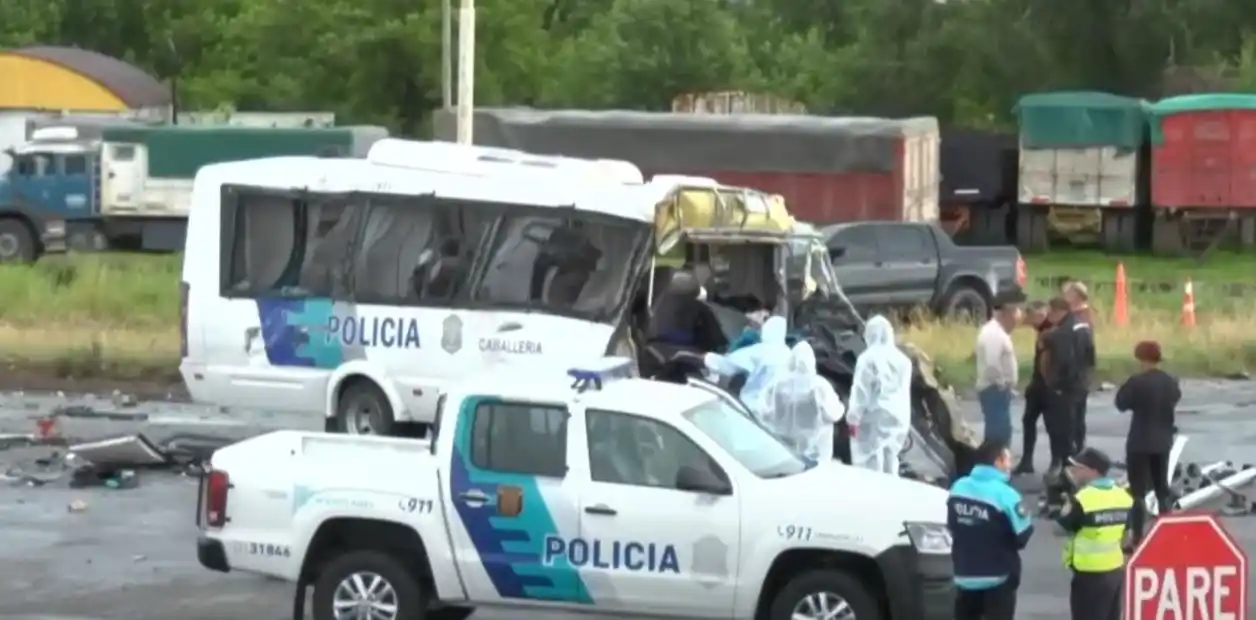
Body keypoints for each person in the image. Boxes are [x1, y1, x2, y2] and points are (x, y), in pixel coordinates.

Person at [948, 439, 1034, 620]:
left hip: (964, 575)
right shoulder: (1006, 494)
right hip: (998, 577)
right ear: (997, 461)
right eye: (1008, 460)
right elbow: (1023, 536)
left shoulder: (958, 487)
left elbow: (953, 525)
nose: (1010, 465)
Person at [1115, 341, 1180, 548]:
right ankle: (1167, 531)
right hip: (1163, 441)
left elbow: (1121, 404)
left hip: (1139, 441)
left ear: (1141, 359)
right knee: (1162, 488)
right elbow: (1175, 399)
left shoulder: (1136, 382)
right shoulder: (1170, 382)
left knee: (1137, 492)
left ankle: (1137, 537)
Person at [1057, 447, 1132, 620]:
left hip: (1088, 574)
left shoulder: (1083, 499)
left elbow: (1061, 527)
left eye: (1078, 467)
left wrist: (1067, 501)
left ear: (1093, 471)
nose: (1074, 471)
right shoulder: (1123, 496)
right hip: (1115, 571)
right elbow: (1126, 534)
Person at [846, 315, 913, 475]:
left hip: (874, 418)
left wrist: (853, 419)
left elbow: (861, 393)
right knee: (891, 457)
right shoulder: (904, 360)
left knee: (870, 463)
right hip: (899, 417)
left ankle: (873, 496)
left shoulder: (867, 359)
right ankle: (892, 494)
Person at [760, 341, 846, 461]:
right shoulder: (819, 385)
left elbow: (764, 414)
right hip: (817, 452)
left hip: (785, 450)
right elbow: (834, 413)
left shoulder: (777, 384)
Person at [706, 315, 791, 420]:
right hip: (773, 414)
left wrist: (705, 358)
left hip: (751, 410)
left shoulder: (760, 351)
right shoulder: (788, 354)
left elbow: (727, 365)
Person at [975, 298, 1021, 445]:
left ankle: (998, 461)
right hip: (994, 390)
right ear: (1007, 313)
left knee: (1001, 429)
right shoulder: (993, 334)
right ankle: (995, 462)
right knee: (998, 433)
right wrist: (1003, 384)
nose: (1017, 322)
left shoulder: (999, 332)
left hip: (998, 390)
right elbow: (992, 364)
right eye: (1015, 317)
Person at [1015, 301, 1052, 474]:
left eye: (1030, 317)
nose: (1027, 321)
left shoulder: (1048, 331)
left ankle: (1052, 461)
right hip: (1039, 383)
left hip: (1045, 386)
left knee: (1051, 425)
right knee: (1028, 420)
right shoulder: (1043, 330)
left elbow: (1046, 360)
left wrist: (1042, 381)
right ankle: (1027, 460)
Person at [1062, 281, 1096, 452]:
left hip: (1078, 374)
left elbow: (1082, 348)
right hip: (1080, 373)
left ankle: (1076, 448)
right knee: (1075, 414)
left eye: (1067, 294)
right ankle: (1076, 446)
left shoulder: (1082, 317)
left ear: (1075, 296)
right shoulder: (1076, 315)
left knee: (1075, 415)